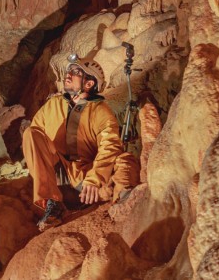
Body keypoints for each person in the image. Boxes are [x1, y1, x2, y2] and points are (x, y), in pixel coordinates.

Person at [22, 54, 140, 231]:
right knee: (31, 133)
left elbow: (110, 145)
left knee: (125, 159)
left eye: (76, 72)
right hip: (60, 177)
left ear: (89, 83)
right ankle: (53, 204)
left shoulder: (100, 111)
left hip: (87, 184)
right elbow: (36, 142)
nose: (68, 75)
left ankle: (124, 200)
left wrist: (95, 178)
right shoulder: (53, 105)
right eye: (69, 71)